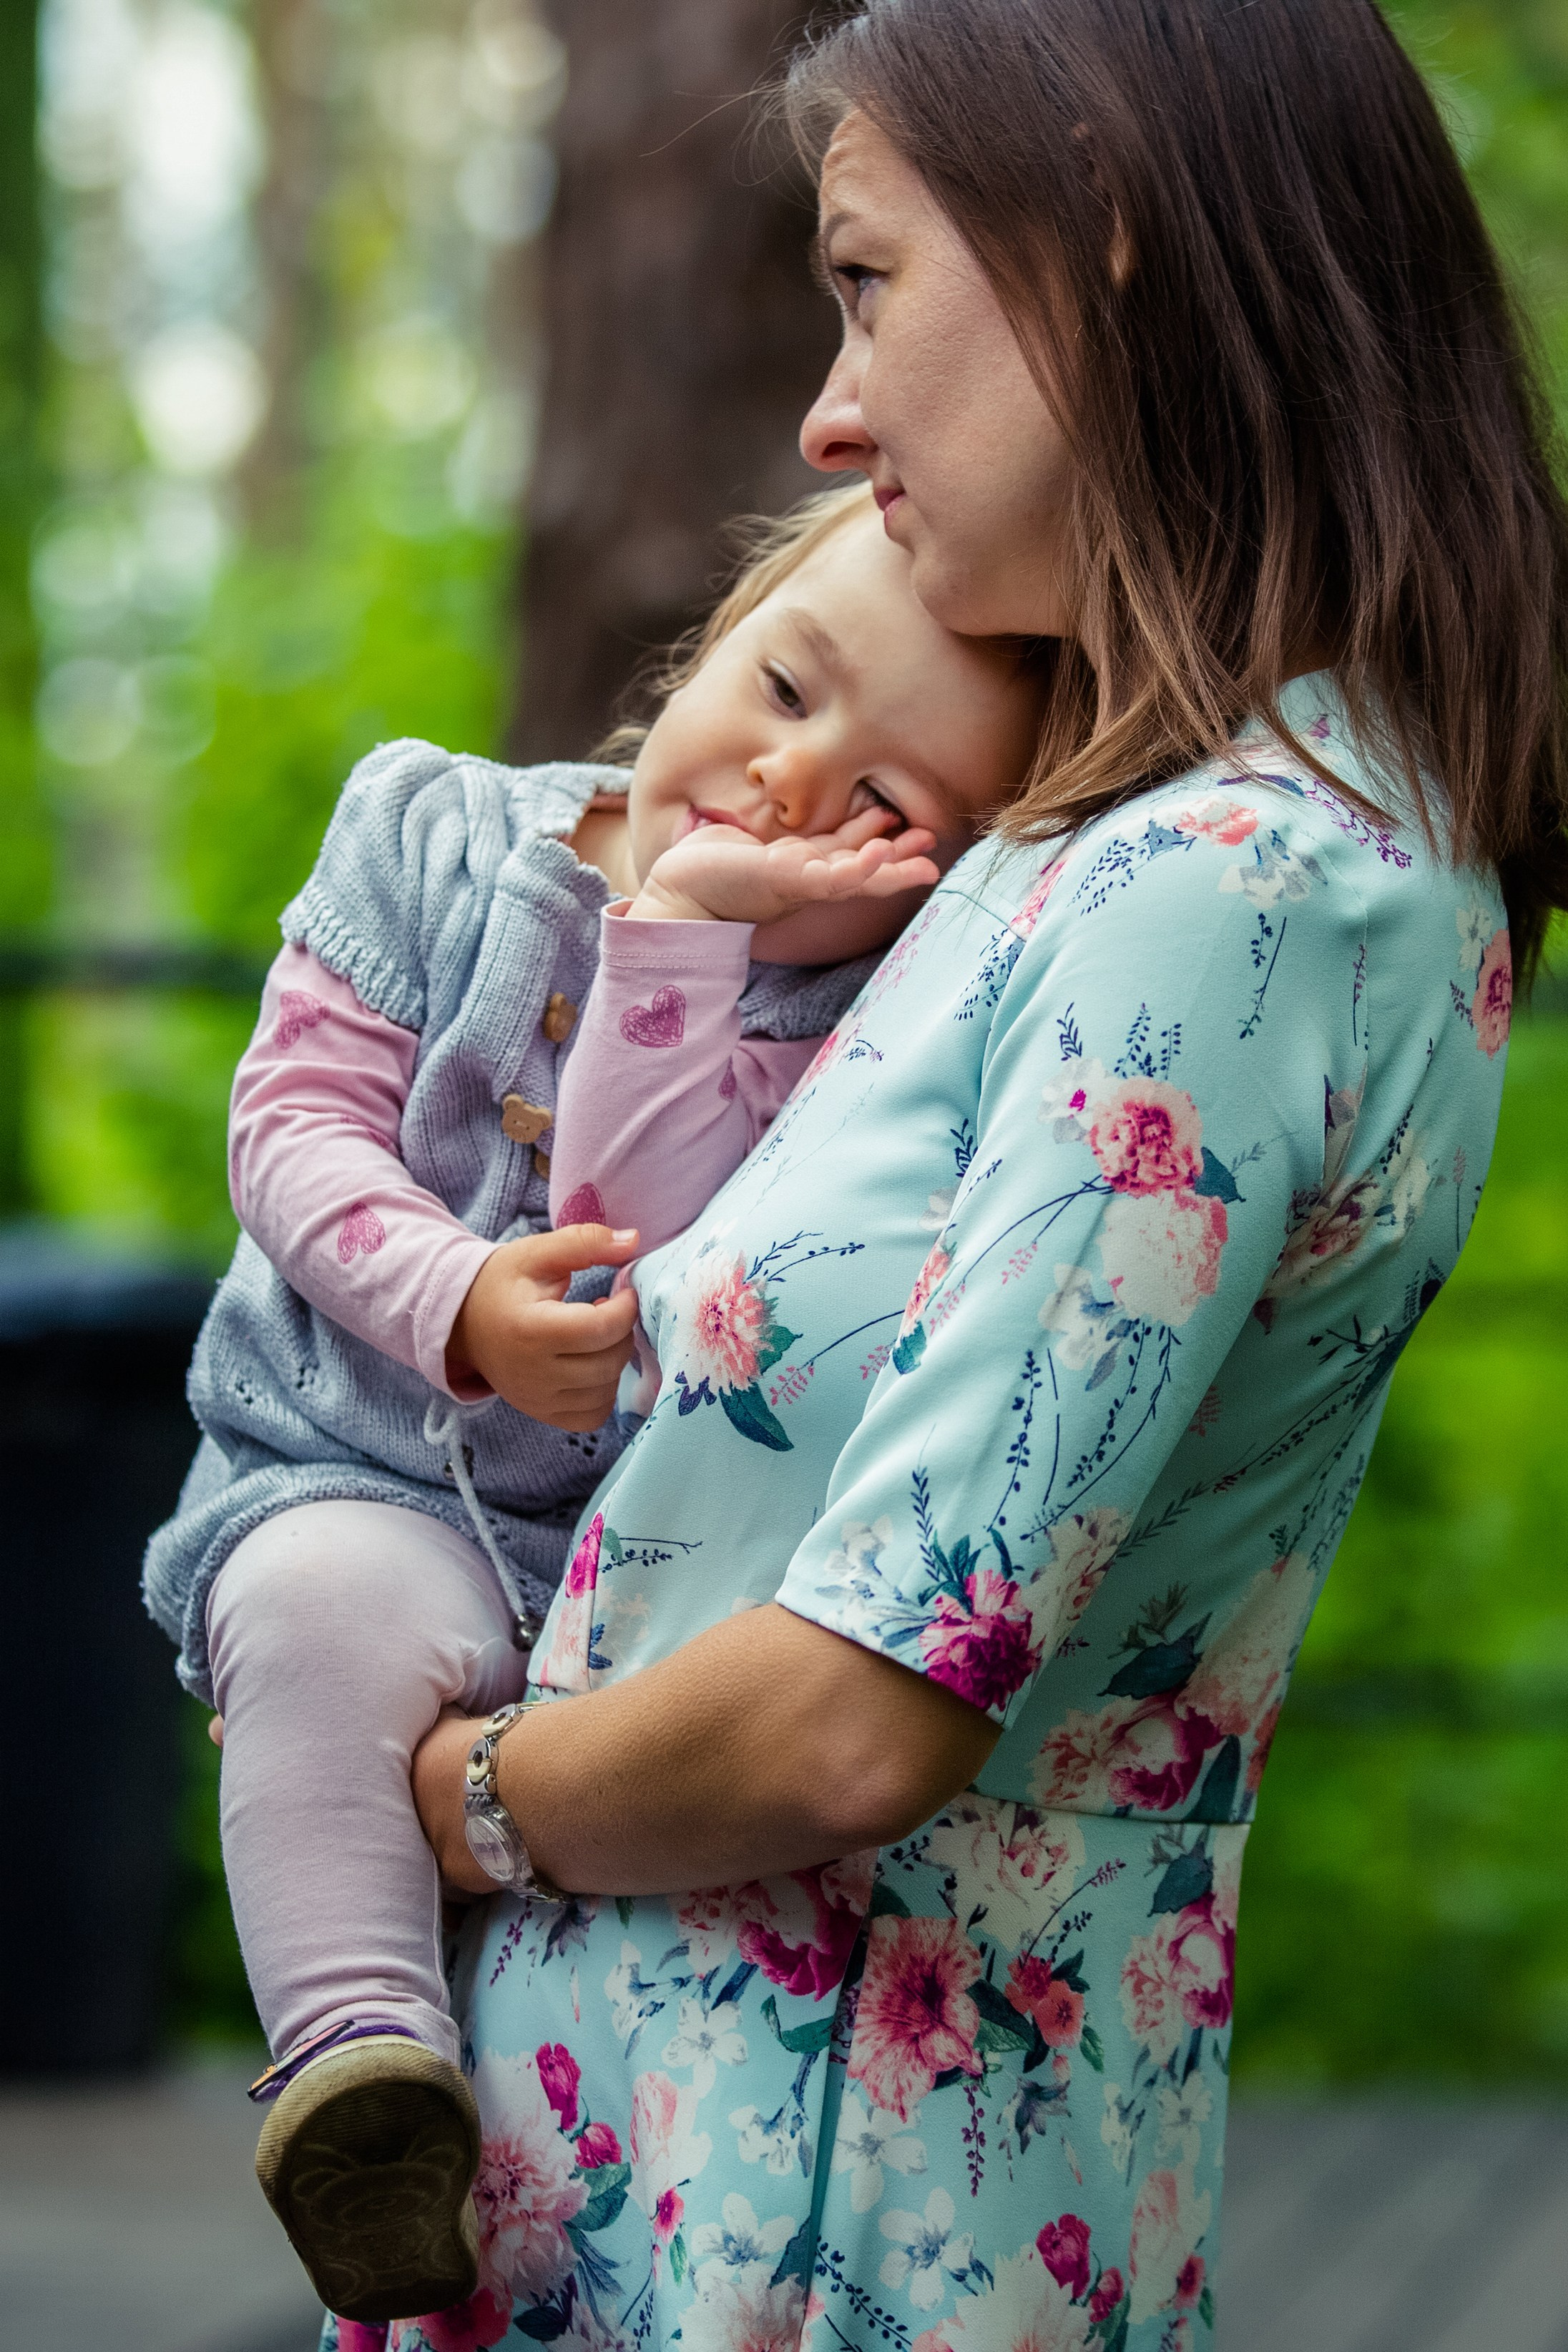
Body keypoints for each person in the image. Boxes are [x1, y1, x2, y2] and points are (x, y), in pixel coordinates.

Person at [375, 1, 1567, 2348]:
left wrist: (439, 1792)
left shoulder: (1229, 886)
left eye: (866, 281)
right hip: (706, 2181)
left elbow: (862, 1707)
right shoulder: (1127, 844)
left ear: (1101, 240)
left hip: (810, 2224)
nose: (827, 416)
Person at [141, 479, 1044, 2323]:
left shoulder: (847, 1021)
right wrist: (449, 1292)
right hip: (354, 1473)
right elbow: (289, 1121)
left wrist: (688, 936)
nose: (797, 783)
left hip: (617, 1574)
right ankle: (354, 2079)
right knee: (314, 1624)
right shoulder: (433, 831)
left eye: (884, 805)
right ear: (724, 624)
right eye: (788, 688)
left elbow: (636, 1233)